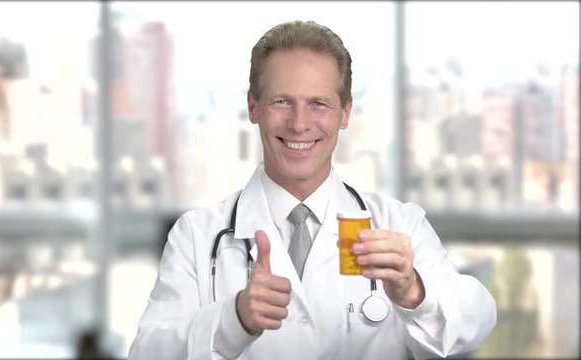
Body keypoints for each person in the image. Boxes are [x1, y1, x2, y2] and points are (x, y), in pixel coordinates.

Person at [128, 20, 496, 360]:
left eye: (318, 104)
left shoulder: (398, 224)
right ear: (253, 106)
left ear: (345, 113)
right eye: (281, 101)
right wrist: (232, 319)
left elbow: (475, 320)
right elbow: (147, 351)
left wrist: (413, 291)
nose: (299, 124)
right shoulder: (197, 235)